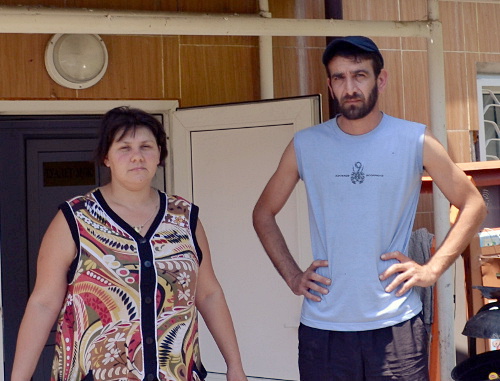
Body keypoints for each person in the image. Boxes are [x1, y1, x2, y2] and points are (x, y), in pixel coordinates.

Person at [252, 36, 487, 381]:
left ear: (381, 79)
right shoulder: (306, 144)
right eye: (339, 77)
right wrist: (291, 274)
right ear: (330, 85)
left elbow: (473, 204)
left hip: (396, 327)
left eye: (359, 75)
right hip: (324, 329)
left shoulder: (414, 139)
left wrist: (432, 270)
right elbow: (263, 213)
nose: (350, 87)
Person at [12, 106, 247, 381]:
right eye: (124, 147)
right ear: (106, 157)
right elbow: (43, 303)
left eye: (146, 146)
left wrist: (235, 366)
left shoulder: (184, 219)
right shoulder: (76, 219)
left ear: (159, 154)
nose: (137, 156)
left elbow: (208, 294)